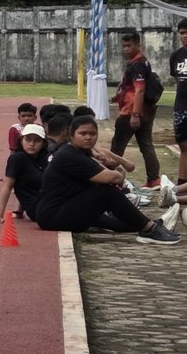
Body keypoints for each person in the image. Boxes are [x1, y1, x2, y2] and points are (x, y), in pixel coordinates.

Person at [36, 115, 179, 242]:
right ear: (71, 136)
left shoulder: (79, 152)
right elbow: (114, 178)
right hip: (53, 215)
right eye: (83, 133)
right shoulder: (70, 155)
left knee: (115, 222)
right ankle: (150, 229)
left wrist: (102, 159)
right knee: (107, 193)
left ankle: (155, 224)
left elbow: (109, 170)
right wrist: (118, 173)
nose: (88, 137)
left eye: (92, 134)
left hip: (63, 209)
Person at [110, 30, 162, 188]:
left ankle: (110, 178)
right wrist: (118, 96)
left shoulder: (138, 64)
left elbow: (139, 90)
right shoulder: (142, 62)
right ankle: (153, 179)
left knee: (117, 147)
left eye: (129, 46)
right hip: (146, 110)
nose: (125, 49)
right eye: (123, 46)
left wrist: (135, 114)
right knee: (146, 144)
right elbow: (131, 88)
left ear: (138, 45)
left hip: (132, 111)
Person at [0, 124, 49, 223]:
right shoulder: (17, 158)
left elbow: (32, 182)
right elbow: (8, 186)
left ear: (43, 143)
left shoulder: (46, 158)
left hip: (52, 201)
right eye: (28, 139)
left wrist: (19, 211)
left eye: (37, 140)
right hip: (41, 210)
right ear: (21, 141)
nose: (32, 144)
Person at [169, 19, 187, 194]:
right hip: (180, 107)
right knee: (183, 146)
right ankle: (182, 183)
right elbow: (177, 79)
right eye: (182, 33)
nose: (185, 36)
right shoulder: (176, 56)